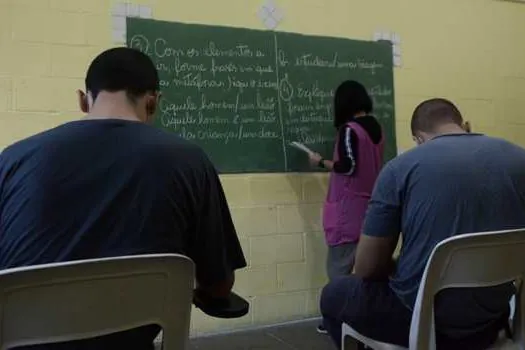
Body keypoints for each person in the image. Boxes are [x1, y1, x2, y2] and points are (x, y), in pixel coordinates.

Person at [0, 47, 246, 350]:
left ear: (82, 99)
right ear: (154, 101)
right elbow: (220, 287)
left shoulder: (12, 160)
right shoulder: (189, 161)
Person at [320, 98, 520, 349]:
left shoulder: (399, 169)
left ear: (419, 139)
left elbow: (367, 268)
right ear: (465, 125)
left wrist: (400, 267)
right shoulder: (518, 159)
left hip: (422, 323)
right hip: (492, 319)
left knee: (334, 293)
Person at [307, 80, 384, 334]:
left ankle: (336, 323)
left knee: (338, 269)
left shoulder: (350, 130)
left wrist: (320, 162)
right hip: (370, 209)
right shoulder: (377, 130)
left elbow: (348, 166)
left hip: (347, 211)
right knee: (365, 270)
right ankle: (362, 320)